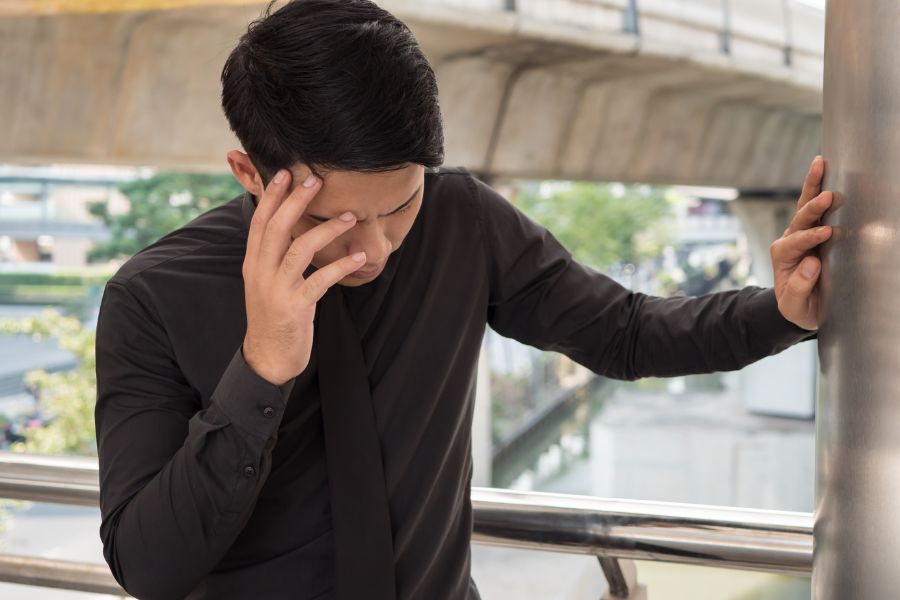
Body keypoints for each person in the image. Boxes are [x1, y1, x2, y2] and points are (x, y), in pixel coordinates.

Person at [93, 1, 830, 599]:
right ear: (251, 174)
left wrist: (782, 311)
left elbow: (624, 333)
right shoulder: (152, 297)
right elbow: (148, 566)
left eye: (400, 206)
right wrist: (261, 370)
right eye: (335, 221)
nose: (375, 251)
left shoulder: (461, 220)